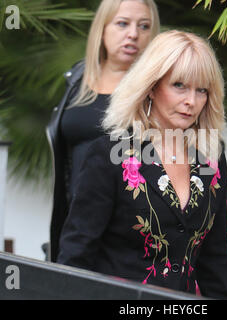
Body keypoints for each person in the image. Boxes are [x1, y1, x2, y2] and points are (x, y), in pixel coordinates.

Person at [57, 30, 227, 300]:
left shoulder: (210, 157)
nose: (191, 101)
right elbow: (76, 255)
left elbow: (216, 259)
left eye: (201, 90)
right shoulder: (110, 154)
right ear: (152, 87)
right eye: (179, 85)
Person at [46, 0, 160, 262]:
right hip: (73, 222)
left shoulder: (155, 90)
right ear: (102, 28)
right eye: (122, 24)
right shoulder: (77, 78)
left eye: (144, 26)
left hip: (127, 232)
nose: (133, 34)